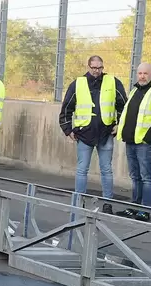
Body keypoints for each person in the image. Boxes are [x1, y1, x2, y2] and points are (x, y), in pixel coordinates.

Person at [59, 55, 128, 214]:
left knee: (106, 170)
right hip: (84, 134)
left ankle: (107, 203)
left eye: (100, 68)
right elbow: (66, 108)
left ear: (103, 67)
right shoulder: (78, 83)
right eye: (94, 68)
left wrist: (119, 125)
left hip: (106, 133)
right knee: (82, 169)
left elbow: (123, 106)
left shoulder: (113, 82)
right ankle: (78, 201)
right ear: (88, 67)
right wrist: (68, 130)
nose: (97, 71)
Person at [115, 62, 151, 221]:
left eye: (145, 73)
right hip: (130, 141)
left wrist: (147, 138)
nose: (142, 76)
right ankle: (134, 206)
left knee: (146, 177)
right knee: (135, 176)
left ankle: (144, 210)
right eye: (140, 73)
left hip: (145, 144)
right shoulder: (135, 91)